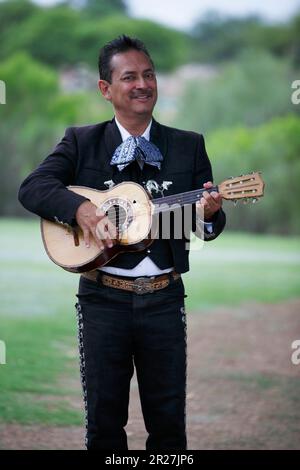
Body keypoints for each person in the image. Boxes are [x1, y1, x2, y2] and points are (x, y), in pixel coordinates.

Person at [18, 35, 226, 450]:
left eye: (148, 74)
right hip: (102, 300)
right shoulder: (81, 141)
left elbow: (207, 227)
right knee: (104, 424)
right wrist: (80, 210)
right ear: (105, 89)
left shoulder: (189, 144)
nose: (142, 84)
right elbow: (33, 187)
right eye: (129, 76)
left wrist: (210, 214)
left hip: (165, 299)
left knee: (168, 427)